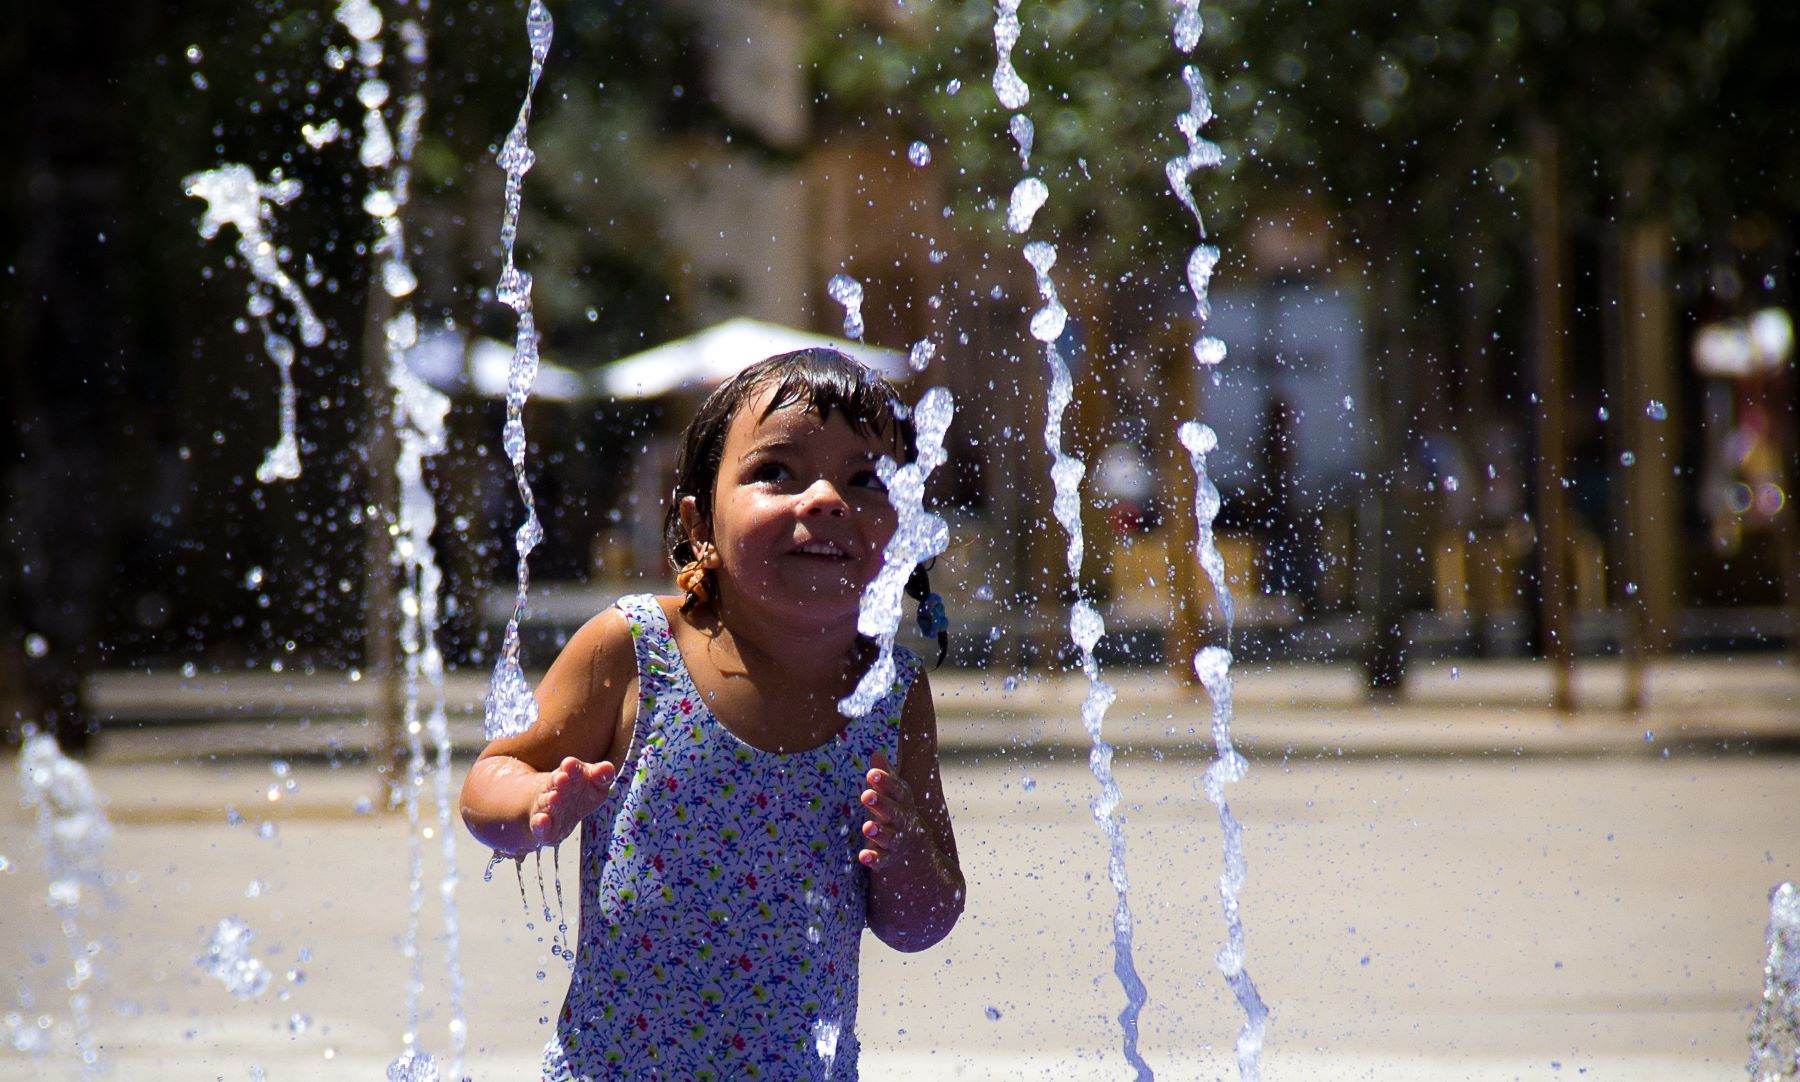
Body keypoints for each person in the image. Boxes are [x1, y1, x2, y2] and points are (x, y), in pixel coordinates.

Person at [461, 348, 964, 1080]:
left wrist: (908, 854)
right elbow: (488, 781)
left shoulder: (890, 694)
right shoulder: (635, 650)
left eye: (865, 480)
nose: (825, 498)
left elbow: (924, 922)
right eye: (774, 473)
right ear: (699, 522)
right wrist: (536, 800)